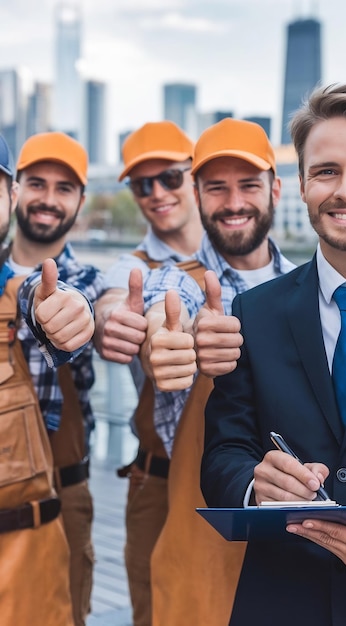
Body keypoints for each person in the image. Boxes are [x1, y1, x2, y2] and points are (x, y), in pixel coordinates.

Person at [200, 82, 346, 626]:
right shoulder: (253, 312)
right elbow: (223, 454)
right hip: (280, 598)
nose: (344, 190)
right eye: (327, 171)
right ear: (302, 187)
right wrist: (252, 484)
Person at [141, 118, 295, 625]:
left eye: (248, 185)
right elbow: (162, 322)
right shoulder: (172, 284)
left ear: (275, 189)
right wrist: (169, 342)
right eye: (216, 188)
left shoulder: (309, 291)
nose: (233, 203)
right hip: (198, 558)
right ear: (197, 194)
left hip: (294, 559)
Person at [93, 120, 203, 626]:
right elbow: (115, 302)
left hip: (248, 482)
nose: (157, 193)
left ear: (195, 175)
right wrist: (111, 323)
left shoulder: (254, 263)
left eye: (170, 177)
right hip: (157, 484)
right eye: (143, 184)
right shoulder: (132, 268)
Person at [6, 131, 106, 626]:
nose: (48, 198)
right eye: (37, 183)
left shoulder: (88, 281)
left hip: (63, 499)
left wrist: (68, 312)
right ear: (15, 190)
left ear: (80, 202)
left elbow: (56, 295)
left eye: (64, 188)